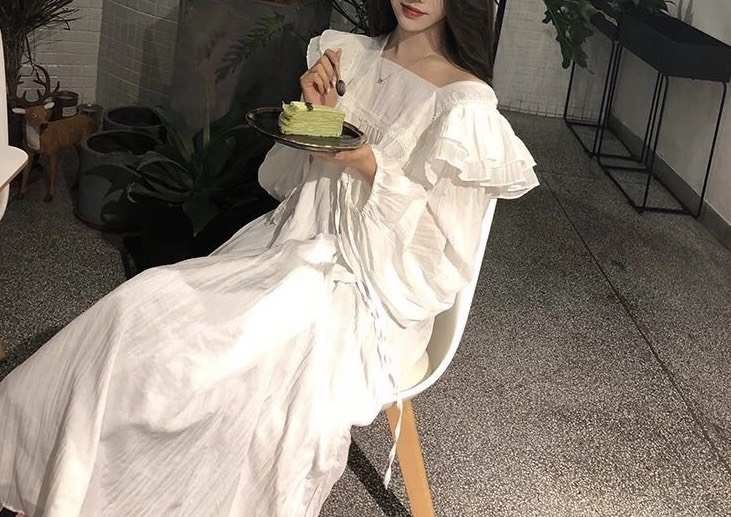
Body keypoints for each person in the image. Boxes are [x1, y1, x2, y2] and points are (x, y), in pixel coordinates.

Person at [0, 0, 539, 515]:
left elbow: (440, 259)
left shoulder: (464, 106)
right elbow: (297, 183)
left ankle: (102, 491)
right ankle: (57, 478)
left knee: (224, 368)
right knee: (141, 306)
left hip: (370, 296)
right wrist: (318, 119)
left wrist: (368, 163)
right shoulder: (350, 57)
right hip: (289, 247)